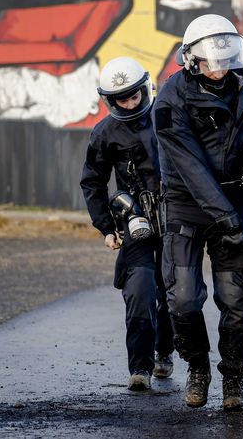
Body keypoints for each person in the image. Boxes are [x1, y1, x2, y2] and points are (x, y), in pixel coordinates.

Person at [153, 14, 243, 411]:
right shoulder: (170, 99)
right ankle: (197, 368)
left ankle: (234, 378)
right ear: (191, 60)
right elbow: (190, 168)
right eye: (210, 61)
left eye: (225, 59)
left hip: (235, 202)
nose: (219, 68)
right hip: (188, 206)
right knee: (184, 300)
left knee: (235, 300)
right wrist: (227, 219)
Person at [80, 56, 175, 391]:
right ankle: (140, 368)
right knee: (140, 291)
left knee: (174, 291)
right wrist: (106, 227)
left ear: (145, 88)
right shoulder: (104, 132)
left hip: (174, 218)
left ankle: (165, 350)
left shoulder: (167, 116)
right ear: (110, 99)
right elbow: (92, 182)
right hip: (134, 222)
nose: (130, 102)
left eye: (134, 95)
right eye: (122, 98)